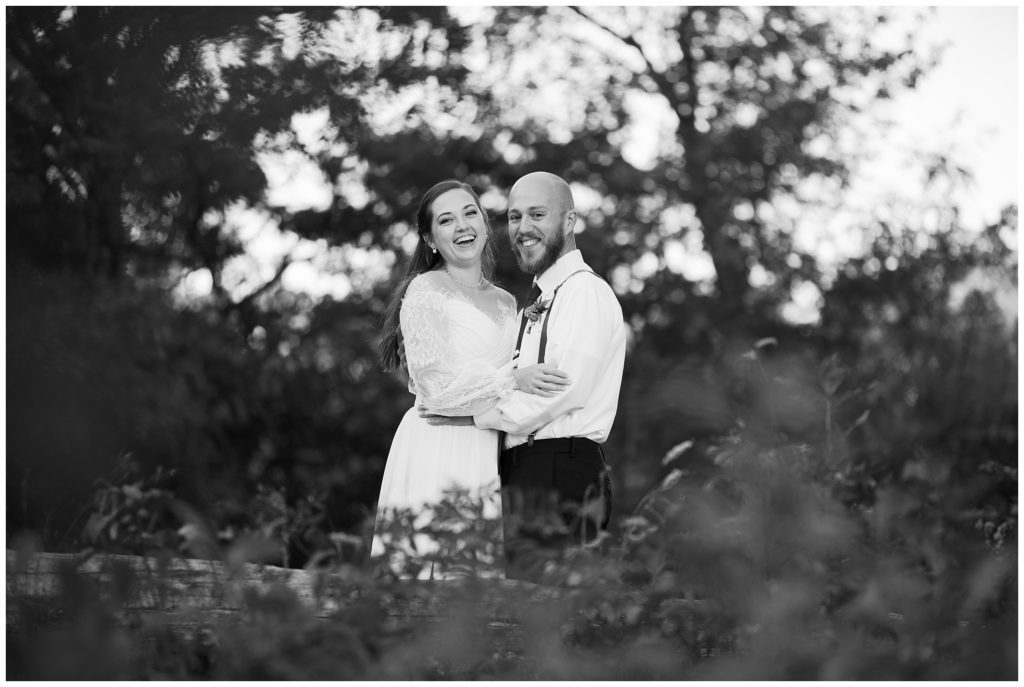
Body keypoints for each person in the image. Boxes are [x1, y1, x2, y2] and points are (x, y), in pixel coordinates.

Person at [424, 172, 627, 583]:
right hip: (526, 470)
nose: (523, 228)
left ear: (569, 222)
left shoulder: (583, 292)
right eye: (515, 217)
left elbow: (559, 393)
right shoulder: (536, 302)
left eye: (538, 214)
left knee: (548, 619)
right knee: (521, 619)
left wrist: (472, 417)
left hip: (559, 471)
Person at [372, 179, 571, 580]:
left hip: (484, 448)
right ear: (430, 239)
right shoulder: (425, 290)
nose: (462, 226)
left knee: (472, 587)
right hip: (436, 442)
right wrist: (512, 379)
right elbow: (434, 388)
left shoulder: (507, 301)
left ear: (483, 222)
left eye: (469, 213)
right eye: (446, 220)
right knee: (428, 569)